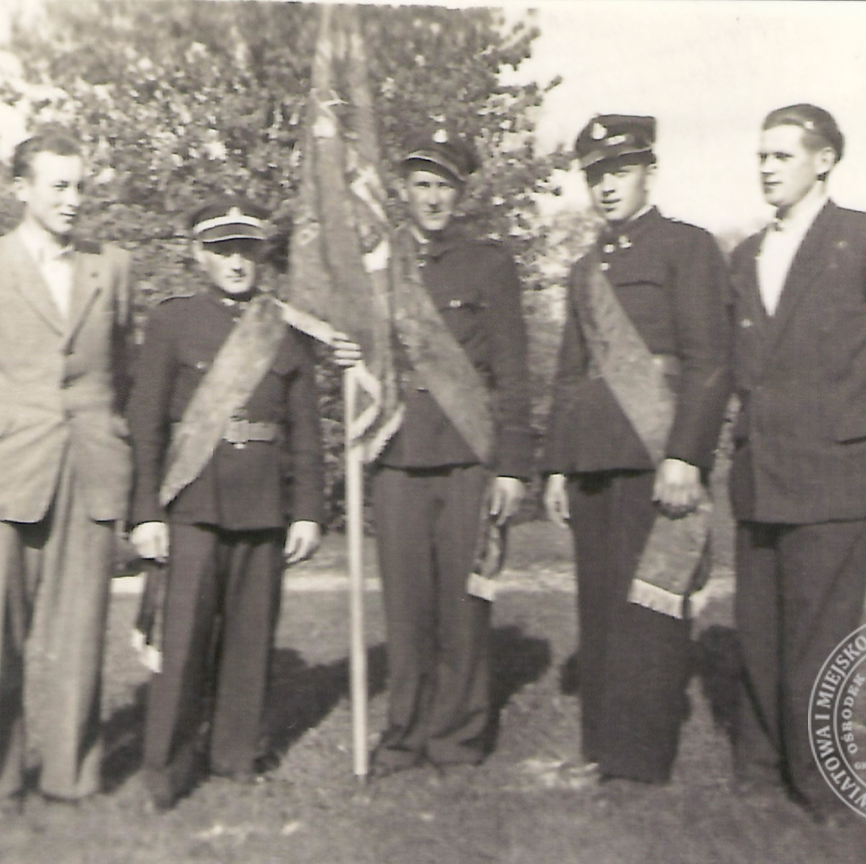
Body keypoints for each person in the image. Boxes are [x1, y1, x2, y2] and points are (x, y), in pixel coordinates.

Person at [726, 104, 866, 820]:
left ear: (824, 161)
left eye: (781, 156)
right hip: (759, 475)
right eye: (762, 156)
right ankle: (759, 769)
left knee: (819, 637)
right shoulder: (746, 254)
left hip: (834, 475)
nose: (766, 168)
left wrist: (862, 426)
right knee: (759, 632)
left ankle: (818, 785)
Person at [0, 128, 133, 804]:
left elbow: (123, 372)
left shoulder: (113, 266)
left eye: (81, 186)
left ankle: (73, 778)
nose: (74, 199)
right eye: (59, 186)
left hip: (91, 466)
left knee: (81, 634)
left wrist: (109, 439)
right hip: (4, 468)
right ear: (21, 189)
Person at [333, 130, 532, 774]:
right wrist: (345, 349)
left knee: (464, 603)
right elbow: (358, 344)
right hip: (397, 455)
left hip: (467, 454)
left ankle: (457, 735)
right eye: (422, 185)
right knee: (406, 606)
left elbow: (513, 372)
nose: (434, 198)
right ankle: (405, 732)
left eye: (445, 185)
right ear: (403, 190)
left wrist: (512, 466)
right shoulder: (378, 265)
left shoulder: (488, 265)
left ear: (461, 192)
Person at [542, 115, 732, 785]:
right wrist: (557, 466)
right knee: (598, 606)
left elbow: (710, 361)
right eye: (596, 175)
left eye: (619, 172)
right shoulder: (584, 269)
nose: (606, 186)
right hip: (592, 455)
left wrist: (687, 455)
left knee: (651, 603)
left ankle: (640, 758)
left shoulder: (688, 247)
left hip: (656, 454)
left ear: (649, 172)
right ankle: (601, 747)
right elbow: (569, 374)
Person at [126, 196, 324, 810]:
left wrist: (308, 510)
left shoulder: (287, 328)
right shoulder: (173, 322)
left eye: (247, 250)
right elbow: (146, 424)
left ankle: (235, 755)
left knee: (250, 636)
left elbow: (306, 431)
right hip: (194, 500)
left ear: (263, 255)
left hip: (262, 500)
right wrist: (145, 512)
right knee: (182, 640)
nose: (237, 262)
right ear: (198, 255)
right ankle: (166, 768)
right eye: (222, 250)